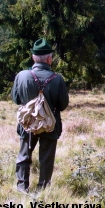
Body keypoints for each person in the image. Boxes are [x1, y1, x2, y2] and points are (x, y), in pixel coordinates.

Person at [12, 38, 69, 193]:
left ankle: (22, 188)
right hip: (50, 125)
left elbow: (16, 100)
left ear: (33, 58)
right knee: (46, 159)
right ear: (49, 59)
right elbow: (63, 105)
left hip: (28, 123)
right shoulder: (57, 79)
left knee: (24, 155)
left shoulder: (22, 76)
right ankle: (42, 190)